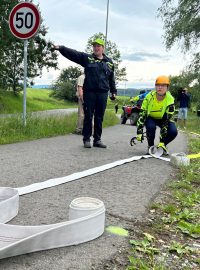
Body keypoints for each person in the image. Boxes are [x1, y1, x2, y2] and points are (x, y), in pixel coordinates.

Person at [53, 38, 116, 148]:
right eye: (94, 46)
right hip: (90, 92)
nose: (96, 48)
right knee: (88, 116)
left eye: (98, 46)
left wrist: (113, 91)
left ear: (103, 48)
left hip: (102, 93)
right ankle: (86, 139)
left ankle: (97, 140)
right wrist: (61, 48)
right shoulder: (88, 58)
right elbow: (74, 54)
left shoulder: (109, 63)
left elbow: (111, 79)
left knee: (99, 117)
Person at [135, 75, 178, 154]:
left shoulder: (170, 100)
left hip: (164, 119)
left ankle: (162, 146)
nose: (160, 88)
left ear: (167, 88)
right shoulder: (149, 97)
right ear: (155, 86)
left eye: (163, 86)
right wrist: (139, 132)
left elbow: (166, 121)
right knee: (150, 127)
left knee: (173, 131)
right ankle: (150, 147)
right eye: (158, 85)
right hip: (151, 118)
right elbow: (142, 115)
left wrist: (162, 141)